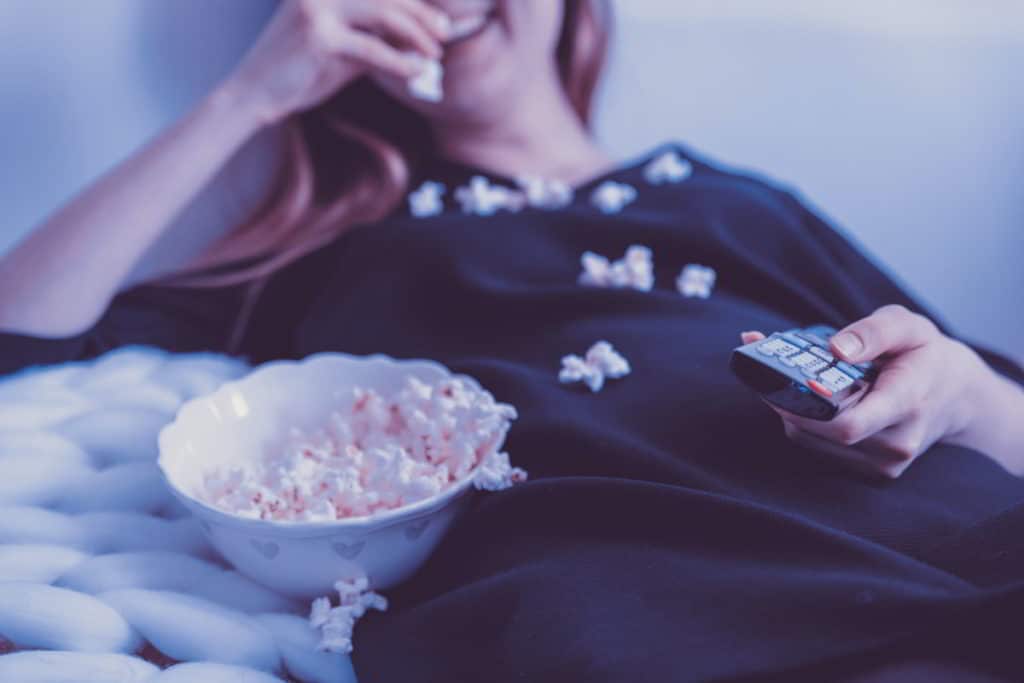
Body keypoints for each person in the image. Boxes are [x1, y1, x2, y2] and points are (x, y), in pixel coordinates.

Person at [1, 1, 1022, 680]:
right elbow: (22, 338)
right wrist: (249, 96)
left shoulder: (736, 204)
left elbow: (997, 416)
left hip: (934, 537)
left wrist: (963, 392)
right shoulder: (343, 251)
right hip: (632, 599)